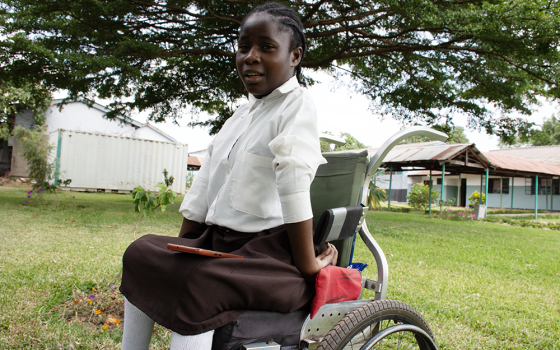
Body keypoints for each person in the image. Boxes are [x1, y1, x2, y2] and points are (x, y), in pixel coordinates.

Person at [119, 3, 338, 349]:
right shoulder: (241, 114)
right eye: (243, 47)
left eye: (266, 47)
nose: (250, 57)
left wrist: (309, 266)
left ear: (294, 56)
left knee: (198, 284)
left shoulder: (297, 105)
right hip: (220, 244)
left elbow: (293, 181)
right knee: (141, 253)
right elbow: (205, 182)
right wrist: (184, 247)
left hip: (269, 255)